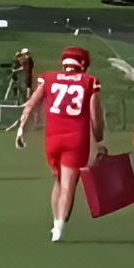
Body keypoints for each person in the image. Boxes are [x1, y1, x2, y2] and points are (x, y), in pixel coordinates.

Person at [15, 47, 105, 242]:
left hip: (53, 138)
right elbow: (95, 116)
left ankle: (55, 223)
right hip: (76, 138)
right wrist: (99, 140)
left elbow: (31, 103)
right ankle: (59, 226)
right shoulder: (89, 81)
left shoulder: (48, 78)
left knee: (58, 180)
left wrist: (22, 128)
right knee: (68, 184)